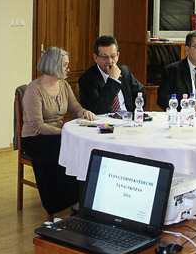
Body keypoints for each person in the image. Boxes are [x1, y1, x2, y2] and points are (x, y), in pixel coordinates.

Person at [22, 47, 95, 216]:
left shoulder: (63, 85)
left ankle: (81, 198)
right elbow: (37, 126)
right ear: (54, 65)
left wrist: (84, 113)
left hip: (58, 135)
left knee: (80, 149)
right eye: (65, 65)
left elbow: (75, 108)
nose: (68, 69)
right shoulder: (34, 90)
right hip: (35, 139)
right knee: (65, 150)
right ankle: (70, 203)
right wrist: (63, 133)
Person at [78, 35, 146, 115]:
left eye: (113, 56)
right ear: (95, 58)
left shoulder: (124, 71)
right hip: (102, 121)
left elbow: (141, 91)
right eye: (105, 57)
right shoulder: (87, 79)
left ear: (118, 56)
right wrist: (113, 80)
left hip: (126, 118)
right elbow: (99, 109)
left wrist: (135, 112)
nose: (110, 61)